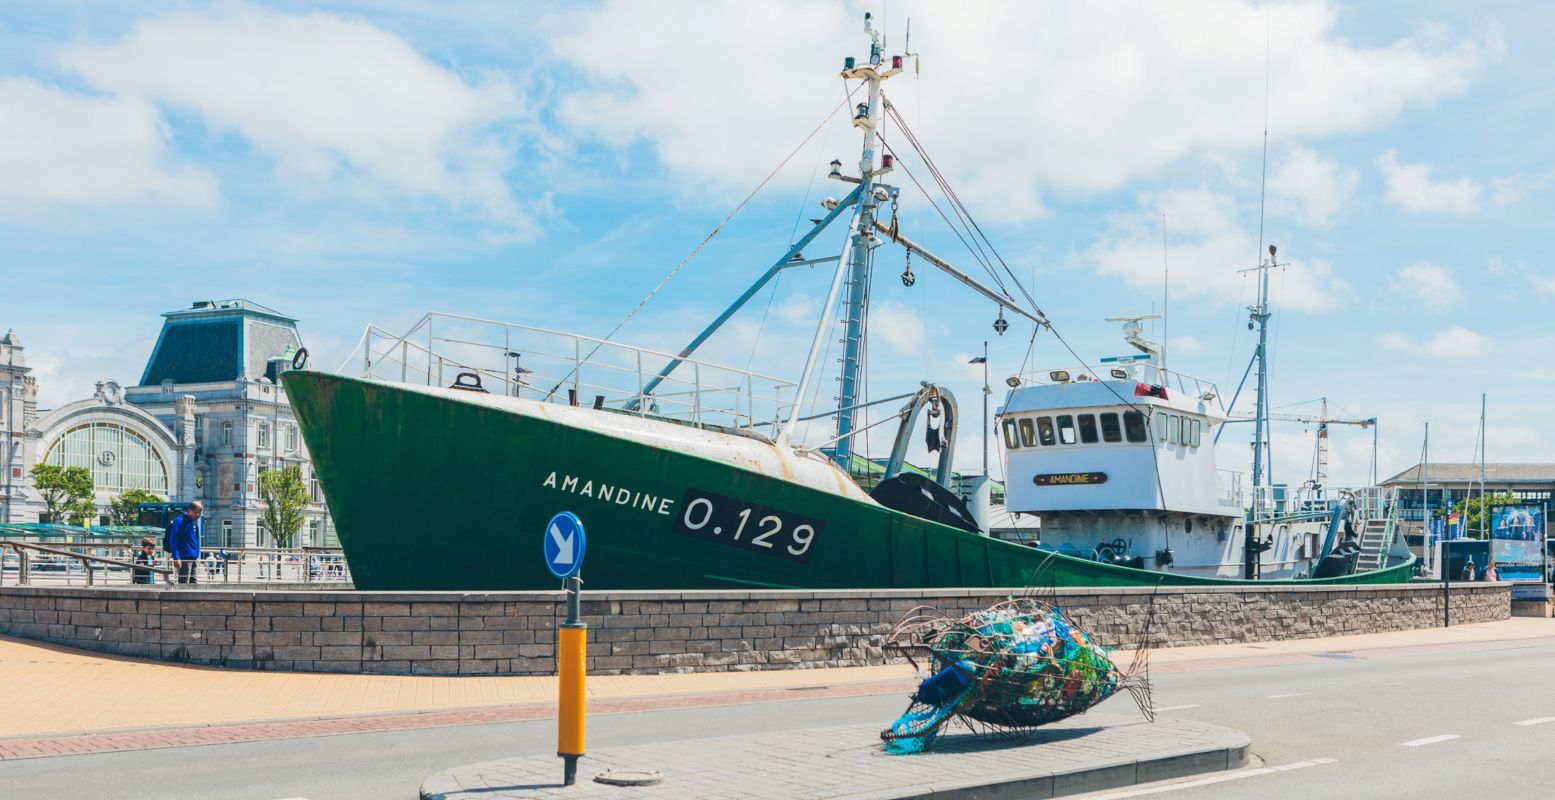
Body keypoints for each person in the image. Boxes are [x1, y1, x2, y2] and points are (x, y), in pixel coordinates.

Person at [166, 501, 204, 584]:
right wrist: (176, 558)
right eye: (197, 513)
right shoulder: (179, 521)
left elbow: (196, 540)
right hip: (184, 557)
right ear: (190, 510)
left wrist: (197, 555)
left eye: (201, 513)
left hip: (193, 558)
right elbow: (173, 540)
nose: (199, 515)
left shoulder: (194, 522)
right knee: (184, 583)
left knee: (193, 582)